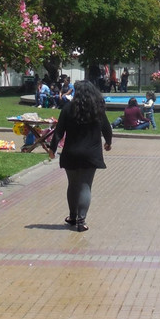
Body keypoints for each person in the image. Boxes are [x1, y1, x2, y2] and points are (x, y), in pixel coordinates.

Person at [47, 80, 113, 232]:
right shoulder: (98, 109)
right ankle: (81, 221)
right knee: (85, 186)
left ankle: (72, 216)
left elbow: (59, 131)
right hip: (91, 153)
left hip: (71, 152)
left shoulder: (68, 108)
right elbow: (107, 128)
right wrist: (108, 143)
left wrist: (53, 149)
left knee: (73, 185)